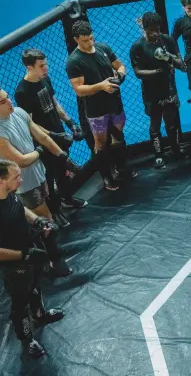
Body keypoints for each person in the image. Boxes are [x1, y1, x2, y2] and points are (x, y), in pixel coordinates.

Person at [0, 159, 70, 358]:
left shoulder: (9, 194)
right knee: (20, 301)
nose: (21, 180)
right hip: (14, 263)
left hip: (30, 251)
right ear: (1, 181)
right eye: (16, 177)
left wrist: (38, 221)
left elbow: (20, 208)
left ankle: (40, 315)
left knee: (35, 285)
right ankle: (27, 338)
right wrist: (23, 255)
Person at [14, 49, 88, 227]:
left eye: (46, 64)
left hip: (59, 133)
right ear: (29, 67)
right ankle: (54, 211)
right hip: (44, 140)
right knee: (49, 176)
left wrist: (71, 123)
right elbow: (29, 123)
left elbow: (54, 104)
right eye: (41, 66)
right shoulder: (22, 92)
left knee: (63, 171)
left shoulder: (45, 79)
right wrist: (54, 136)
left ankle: (67, 199)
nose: (46, 68)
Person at [66, 20, 134, 192]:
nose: (89, 43)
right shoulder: (74, 61)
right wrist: (101, 86)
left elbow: (121, 66)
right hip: (96, 110)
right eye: (85, 40)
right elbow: (79, 89)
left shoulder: (103, 48)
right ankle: (106, 176)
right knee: (101, 144)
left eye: (91, 38)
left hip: (115, 102)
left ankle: (120, 167)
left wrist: (120, 76)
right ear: (76, 39)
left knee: (118, 135)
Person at [0, 88, 79, 221]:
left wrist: (64, 157)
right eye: (2, 101)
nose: (9, 102)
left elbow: (42, 137)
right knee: (45, 220)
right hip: (23, 183)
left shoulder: (19, 112)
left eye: (7, 97)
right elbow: (22, 161)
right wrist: (40, 151)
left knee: (46, 207)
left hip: (38, 172)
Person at [131, 12, 189, 169]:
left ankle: (176, 149)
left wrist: (168, 57)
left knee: (172, 122)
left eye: (157, 30)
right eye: (151, 30)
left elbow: (182, 66)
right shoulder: (138, 46)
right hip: (151, 91)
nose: (155, 34)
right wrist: (157, 72)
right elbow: (137, 72)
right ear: (144, 29)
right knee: (155, 124)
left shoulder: (167, 40)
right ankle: (158, 155)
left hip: (168, 88)